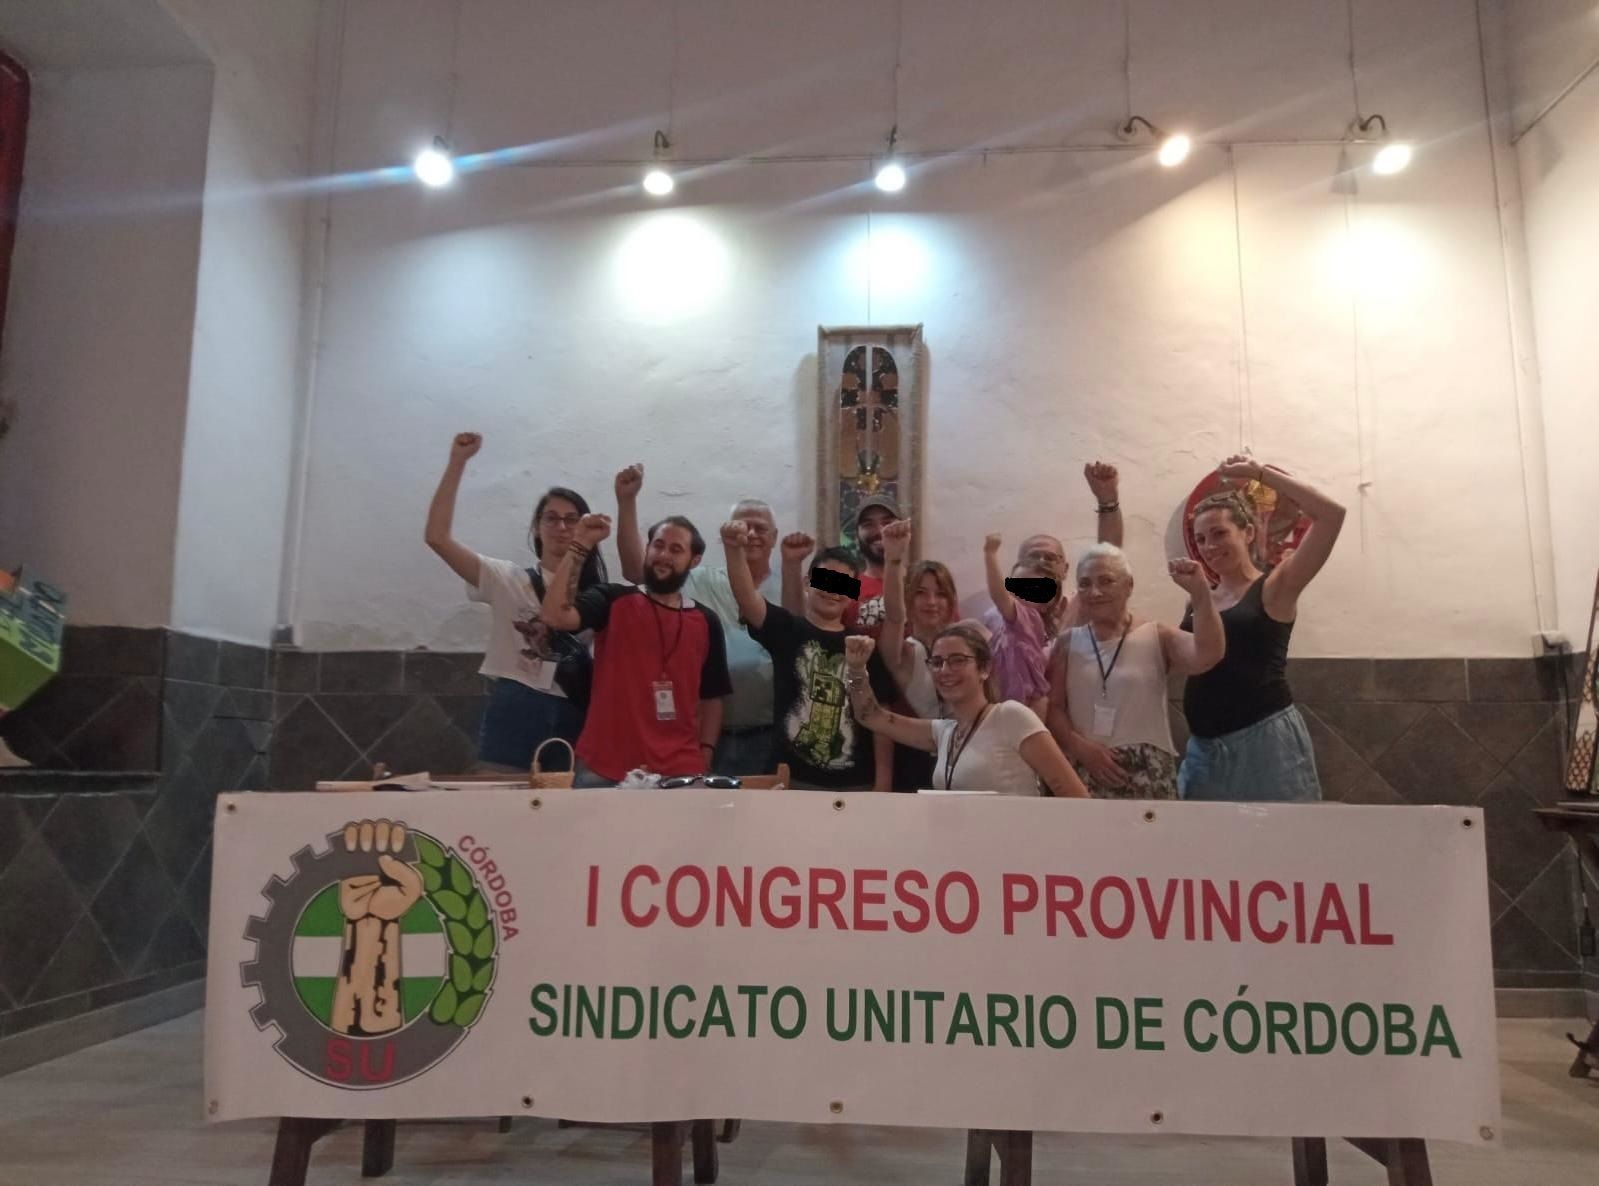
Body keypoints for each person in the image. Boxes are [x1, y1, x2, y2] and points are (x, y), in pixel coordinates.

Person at [422, 431, 608, 772]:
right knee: (498, 796)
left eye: (572, 519)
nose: (561, 527)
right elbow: (437, 538)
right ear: (537, 527)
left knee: (568, 802)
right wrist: (457, 462)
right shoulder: (506, 578)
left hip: (574, 708)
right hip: (516, 704)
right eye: (551, 518)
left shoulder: (596, 596)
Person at [1178, 455, 1346, 802]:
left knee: (1282, 836)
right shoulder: (1198, 599)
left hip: (1266, 746)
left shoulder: (1275, 586)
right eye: (1201, 539)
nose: (1210, 547)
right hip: (1205, 752)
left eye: (1220, 533)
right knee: (1203, 839)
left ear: (1249, 533)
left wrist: (1259, 473)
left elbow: (1332, 515)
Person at [614, 475, 800, 776]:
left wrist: (795, 564)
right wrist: (627, 501)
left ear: (775, 536)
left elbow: (851, 588)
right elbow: (637, 572)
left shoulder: (797, 574)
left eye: (761, 528)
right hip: (708, 736)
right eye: (743, 526)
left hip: (773, 733)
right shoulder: (699, 578)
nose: (752, 534)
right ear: (724, 534)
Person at [541, 512, 732, 786]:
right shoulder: (612, 599)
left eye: (676, 549)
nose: (663, 555)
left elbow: (712, 696)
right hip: (604, 766)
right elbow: (555, 616)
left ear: (694, 560)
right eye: (658, 545)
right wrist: (580, 544)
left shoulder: (706, 620)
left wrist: (706, 752)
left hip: (681, 769)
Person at [722, 521, 895, 791]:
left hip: (854, 784)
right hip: (791, 779)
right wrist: (733, 549)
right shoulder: (788, 629)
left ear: (853, 593)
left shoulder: (863, 646)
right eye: (825, 580)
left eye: (843, 584)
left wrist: (883, 781)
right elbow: (747, 597)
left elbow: (881, 718)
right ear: (808, 582)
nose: (832, 590)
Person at [1046, 545, 1224, 799]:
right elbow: (1054, 709)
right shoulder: (1067, 642)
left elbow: (1208, 654)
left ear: (1128, 585)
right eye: (1085, 584)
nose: (1094, 592)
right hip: (1086, 769)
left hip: (1148, 772)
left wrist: (1200, 593)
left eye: (1106, 581)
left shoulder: (1157, 634)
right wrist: (1081, 748)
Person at [842, 627, 1090, 798]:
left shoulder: (1011, 716)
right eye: (937, 662)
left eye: (958, 660)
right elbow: (871, 717)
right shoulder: (945, 732)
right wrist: (856, 669)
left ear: (984, 669)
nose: (944, 670)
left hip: (1014, 850)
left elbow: (1073, 794)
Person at [984, 461, 1124, 639]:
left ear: (1065, 570)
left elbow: (1107, 558)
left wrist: (1107, 501)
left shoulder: (1080, 604)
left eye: (1051, 558)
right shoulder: (997, 615)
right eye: (1033, 557)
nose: (1042, 563)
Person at [982, 532, 1054, 718]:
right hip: (1005, 697)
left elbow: (998, 595)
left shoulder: (1028, 616)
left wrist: (990, 554)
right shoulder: (1000, 619)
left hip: (1024, 701)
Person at [842, 495, 901, 632]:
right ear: (856, 536)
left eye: (887, 522)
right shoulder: (844, 584)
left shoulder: (921, 582)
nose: (880, 531)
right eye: (868, 524)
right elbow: (802, 622)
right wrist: (793, 564)